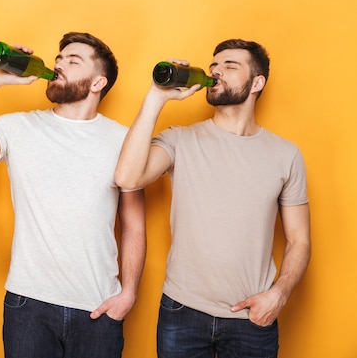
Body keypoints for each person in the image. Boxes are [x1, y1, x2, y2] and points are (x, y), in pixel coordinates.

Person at [0, 32, 146, 358]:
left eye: (73, 61)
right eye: (59, 59)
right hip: (28, 306)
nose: (59, 66)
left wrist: (128, 294)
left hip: (99, 307)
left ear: (98, 83)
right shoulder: (18, 128)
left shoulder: (124, 140)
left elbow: (134, 225)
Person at [115, 39, 311, 358]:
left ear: (256, 82)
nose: (216, 72)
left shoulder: (286, 155)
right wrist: (155, 97)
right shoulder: (180, 139)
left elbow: (299, 240)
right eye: (214, 67)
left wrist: (279, 295)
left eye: (229, 66)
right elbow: (127, 177)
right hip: (182, 313)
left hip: (251, 319)